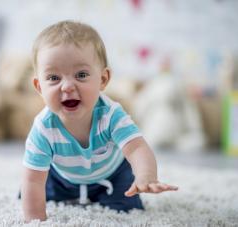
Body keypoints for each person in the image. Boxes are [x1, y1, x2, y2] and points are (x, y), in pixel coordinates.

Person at [21, 20, 178, 222]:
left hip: (112, 175)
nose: (67, 86)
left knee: (127, 208)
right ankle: (66, 193)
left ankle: (108, 195)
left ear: (103, 80)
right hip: (63, 178)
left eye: (81, 75)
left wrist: (146, 176)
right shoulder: (43, 127)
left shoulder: (111, 115)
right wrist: (35, 219)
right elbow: (33, 179)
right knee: (33, 192)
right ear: (39, 87)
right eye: (53, 78)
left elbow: (137, 148)